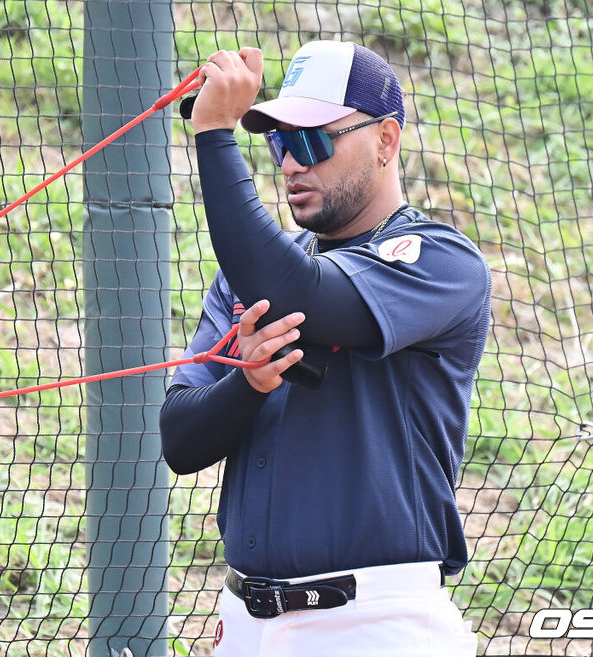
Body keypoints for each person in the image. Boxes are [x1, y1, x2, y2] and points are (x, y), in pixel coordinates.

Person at [159, 40, 490, 656]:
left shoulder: (443, 261)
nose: (289, 164)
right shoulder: (246, 279)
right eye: (280, 142)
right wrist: (249, 383)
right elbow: (180, 439)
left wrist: (214, 134)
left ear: (385, 140)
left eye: (311, 141)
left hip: (376, 623)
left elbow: (300, 291)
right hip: (246, 621)